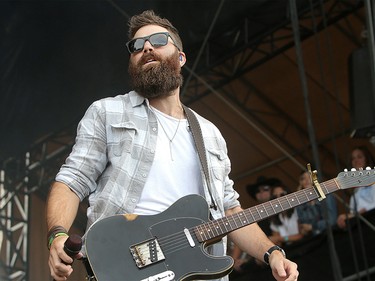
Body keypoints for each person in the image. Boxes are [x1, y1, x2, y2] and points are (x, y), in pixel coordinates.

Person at [46, 10, 298, 281]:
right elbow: (72, 181)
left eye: (157, 40)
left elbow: (228, 210)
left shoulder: (209, 134)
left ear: (181, 57)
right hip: (126, 269)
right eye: (137, 46)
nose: (147, 48)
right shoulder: (107, 112)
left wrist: (272, 253)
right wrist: (57, 234)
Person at [336, 146, 375, 229]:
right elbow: (353, 212)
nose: (356, 161)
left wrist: (362, 212)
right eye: (353, 159)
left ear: (367, 159)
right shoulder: (356, 189)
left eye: (359, 157)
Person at [296, 171, 337, 236]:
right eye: (303, 178)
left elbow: (332, 220)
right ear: (300, 183)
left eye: (310, 177)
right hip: (313, 239)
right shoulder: (300, 204)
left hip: (330, 235)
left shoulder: (327, 195)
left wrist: (312, 227)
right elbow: (302, 227)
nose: (307, 180)